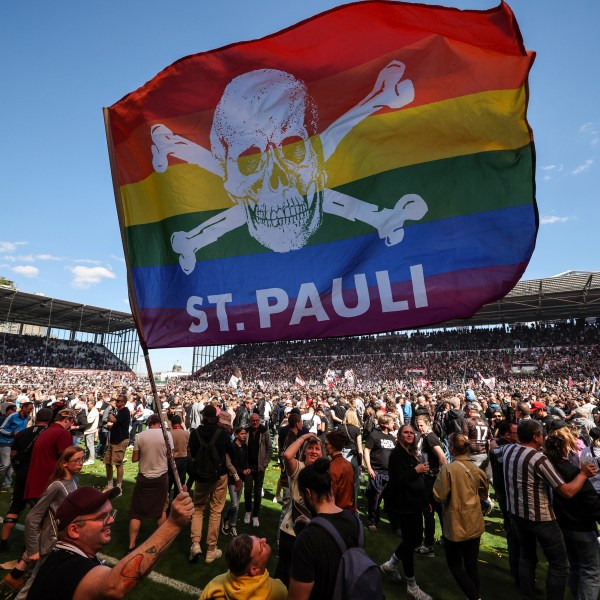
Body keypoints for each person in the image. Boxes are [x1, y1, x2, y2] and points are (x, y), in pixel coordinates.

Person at [25, 485, 194, 600]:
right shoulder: (67, 567)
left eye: (110, 513)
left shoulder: (65, 556)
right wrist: (173, 524)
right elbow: (115, 585)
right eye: (101, 517)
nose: (111, 521)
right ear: (74, 530)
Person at [496, 419, 597, 599]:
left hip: (517, 514)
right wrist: (583, 474)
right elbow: (566, 491)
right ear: (536, 437)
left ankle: (527, 594)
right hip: (541, 519)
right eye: (541, 434)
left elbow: (493, 446)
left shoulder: (509, 449)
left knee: (527, 557)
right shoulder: (538, 458)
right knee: (560, 565)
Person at [2, 446, 84, 596]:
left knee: (47, 582)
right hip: (51, 542)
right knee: (35, 582)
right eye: (76, 460)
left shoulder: (74, 480)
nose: (81, 463)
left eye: (82, 459)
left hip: (64, 540)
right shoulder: (57, 485)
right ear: (65, 463)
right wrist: (32, 549)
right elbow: (33, 517)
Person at [288, 458, 374, 600]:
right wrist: (312, 524)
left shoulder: (307, 540)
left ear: (308, 494)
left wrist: (310, 531)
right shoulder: (356, 523)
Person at [433, 433, 489, 600]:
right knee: (471, 563)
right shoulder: (477, 469)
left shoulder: (448, 469)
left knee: (455, 565)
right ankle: (474, 595)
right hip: (474, 521)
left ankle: (474, 597)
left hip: (455, 522)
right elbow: (484, 494)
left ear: (451, 448)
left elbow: (439, 495)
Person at [544, 434, 600, 600]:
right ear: (563, 450)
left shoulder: (549, 468)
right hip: (580, 527)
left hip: (562, 525)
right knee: (591, 571)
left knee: (576, 566)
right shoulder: (573, 472)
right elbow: (590, 502)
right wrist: (583, 476)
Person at [379, 424, 432, 600]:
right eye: (406, 432)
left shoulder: (411, 452)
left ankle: (391, 564)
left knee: (415, 539)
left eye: (411, 432)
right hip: (404, 505)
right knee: (411, 542)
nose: (409, 435)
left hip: (415, 502)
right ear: (399, 435)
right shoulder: (396, 455)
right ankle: (412, 586)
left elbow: (418, 479)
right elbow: (398, 480)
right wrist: (416, 470)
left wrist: (426, 500)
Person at [0, 407, 52, 552]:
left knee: (15, 507)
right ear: (49, 419)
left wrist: (18, 468)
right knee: (38, 511)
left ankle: (3, 542)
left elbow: (13, 454)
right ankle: (30, 545)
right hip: (38, 476)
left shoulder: (23, 433)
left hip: (22, 473)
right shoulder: (48, 435)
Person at [274, 432, 322, 587]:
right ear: (304, 451)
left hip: (313, 531)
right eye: (310, 448)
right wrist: (304, 437)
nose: (314, 451)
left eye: (317, 449)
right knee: (283, 576)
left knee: (304, 578)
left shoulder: (324, 474)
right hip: (291, 531)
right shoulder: (299, 468)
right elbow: (287, 456)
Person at [189, 404, 235, 564]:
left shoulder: (194, 433)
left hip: (201, 476)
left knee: (198, 509)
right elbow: (232, 452)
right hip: (218, 476)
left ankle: (195, 544)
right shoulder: (222, 434)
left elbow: (193, 453)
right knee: (215, 512)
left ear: (202, 417)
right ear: (216, 418)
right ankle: (211, 549)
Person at [128, 414, 173, 551]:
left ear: (149, 422)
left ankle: (131, 544)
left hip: (144, 477)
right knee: (161, 510)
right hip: (161, 477)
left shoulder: (140, 436)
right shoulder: (167, 435)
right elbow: (170, 455)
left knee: (136, 512)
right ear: (159, 423)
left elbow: (134, 459)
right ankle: (163, 541)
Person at [200, 534, 287, 600]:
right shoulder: (279, 592)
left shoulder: (214, 586)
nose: (264, 540)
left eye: (258, 538)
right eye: (261, 548)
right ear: (254, 570)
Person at [24, 408, 76, 502]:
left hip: (37, 481)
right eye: (71, 421)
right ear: (66, 419)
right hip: (50, 481)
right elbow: (66, 458)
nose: (71, 425)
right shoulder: (63, 433)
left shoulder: (47, 430)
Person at [414, 414, 446, 556]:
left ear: (428, 424)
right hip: (431, 479)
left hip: (430, 481)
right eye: (418, 425)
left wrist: (439, 475)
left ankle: (428, 545)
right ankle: (446, 539)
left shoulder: (430, 437)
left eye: (421, 425)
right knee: (438, 511)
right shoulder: (427, 437)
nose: (419, 428)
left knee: (429, 511)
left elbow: (442, 458)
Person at [363, 414, 396, 531]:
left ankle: (395, 525)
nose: (394, 424)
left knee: (391, 500)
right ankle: (372, 521)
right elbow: (366, 450)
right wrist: (369, 468)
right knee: (375, 499)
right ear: (386, 424)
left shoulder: (392, 438)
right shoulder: (374, 435)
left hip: (390, 474)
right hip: (377, 472)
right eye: (392, 422)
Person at [243, 413, 272, 527]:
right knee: (248, 491)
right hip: (249, 466)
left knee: (257, 491)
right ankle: (248, 512)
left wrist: (264, 465)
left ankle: (255, 515)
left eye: (256, 420)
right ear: (250, 421)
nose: (255, 422)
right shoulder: (247, 431)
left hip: (260, 467)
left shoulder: (264, 431)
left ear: (259, 420)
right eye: (252, 420)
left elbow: (269, 449)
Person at [222, 426, 249, 539]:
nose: (244, 435)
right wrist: (240, 471)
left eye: (245, 434)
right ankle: (226, 518)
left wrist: (247, 469)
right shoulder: (232, 446)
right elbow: (230, 464)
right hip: (233, 477)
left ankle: (232, 525)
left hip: (242, 477)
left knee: (236, 503)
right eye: (242, 434)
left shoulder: (245, 447)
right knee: (234, 504)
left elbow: (245, 461)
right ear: (237, 434)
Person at [0, 400, 34, 490]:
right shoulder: (12, 416)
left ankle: (6, 484)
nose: (30, 411)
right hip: (5, 442)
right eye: (29, 409)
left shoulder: (28, 418)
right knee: (5, 464)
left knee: (11, 464)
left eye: (31, 409)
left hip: (16, 443)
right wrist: (12, 433)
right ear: (23, 408)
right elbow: (1, 428)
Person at [104, 394, 131, 495]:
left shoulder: (124, 411)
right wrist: (111, 428)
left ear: (123, 403)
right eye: (116, 400)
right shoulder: (120, 412)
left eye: (118, 401)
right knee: (107, 462)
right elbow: (118, 424)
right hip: (114, 440)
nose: (116, 402)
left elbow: (113, 420)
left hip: (120, 440)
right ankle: (110, 485)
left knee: (118, 463)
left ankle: (119, 488)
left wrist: (110, 413)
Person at [324, 429, 355, 511]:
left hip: (337, 510)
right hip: (348, 510)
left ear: (333, 446)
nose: (325, 447)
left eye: (326, 444)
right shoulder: (347, 464)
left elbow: (331, 493)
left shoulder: (332, 466)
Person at [340, 408, 363, 509]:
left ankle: (341, 503)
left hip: (342, 455)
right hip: (352, 456)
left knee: (341, 482)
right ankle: (354, 506)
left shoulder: (340, 428)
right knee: (354, 483)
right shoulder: (356, 429)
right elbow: (360, 447)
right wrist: (361, 462)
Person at [84, 397, 99, 466]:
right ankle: (89, 457)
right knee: (88, 445)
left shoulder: (94, 411)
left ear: (92, 404)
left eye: (88, 404)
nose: (87, 405)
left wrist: (82, 422)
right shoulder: (92, 411)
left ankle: (91, 459)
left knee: (90, 445)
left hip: (90, 430)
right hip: (89, 430)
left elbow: (89, 421)